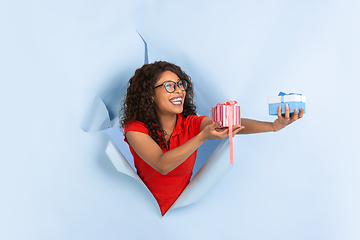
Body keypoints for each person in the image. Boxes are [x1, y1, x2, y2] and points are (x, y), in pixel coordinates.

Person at [120, 61, 304, 216]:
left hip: (182, 213)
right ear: (150, 95)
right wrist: (201, 137)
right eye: (169, 86)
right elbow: (162, 164)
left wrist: (273, 126)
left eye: (180, 84)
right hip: (142, 212)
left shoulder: (191, 124)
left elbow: (230, 124)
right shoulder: (135, 129)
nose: (178, 91)